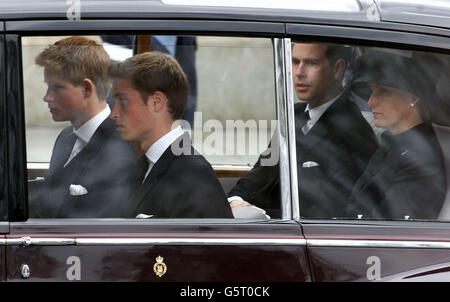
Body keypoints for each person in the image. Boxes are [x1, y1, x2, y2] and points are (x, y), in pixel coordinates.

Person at [228, 42, 378, 218]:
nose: (299, 72)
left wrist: (259, 216)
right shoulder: (294, 115)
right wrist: (235, 200)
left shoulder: (354, 133)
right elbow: (259, 174)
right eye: (295, 61)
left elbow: (327, 213)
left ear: (337, 69)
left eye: (311, 63)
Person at [109, 51, 233, 218]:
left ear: (157, 102)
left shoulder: (193, 180)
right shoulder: (145, 165)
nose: (114, 113)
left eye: (123, 101)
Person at [31, 36, 138, 218]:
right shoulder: (66, 137)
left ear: (87, 89)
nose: (47, 97)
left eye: (56, 88)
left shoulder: (123, 148)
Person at [346, 50, 446, 219]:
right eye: (371, 92)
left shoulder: (420, 160)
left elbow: (387, 225)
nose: (370, 101)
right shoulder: (395, 144)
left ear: (413, 97)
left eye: (383, 91)